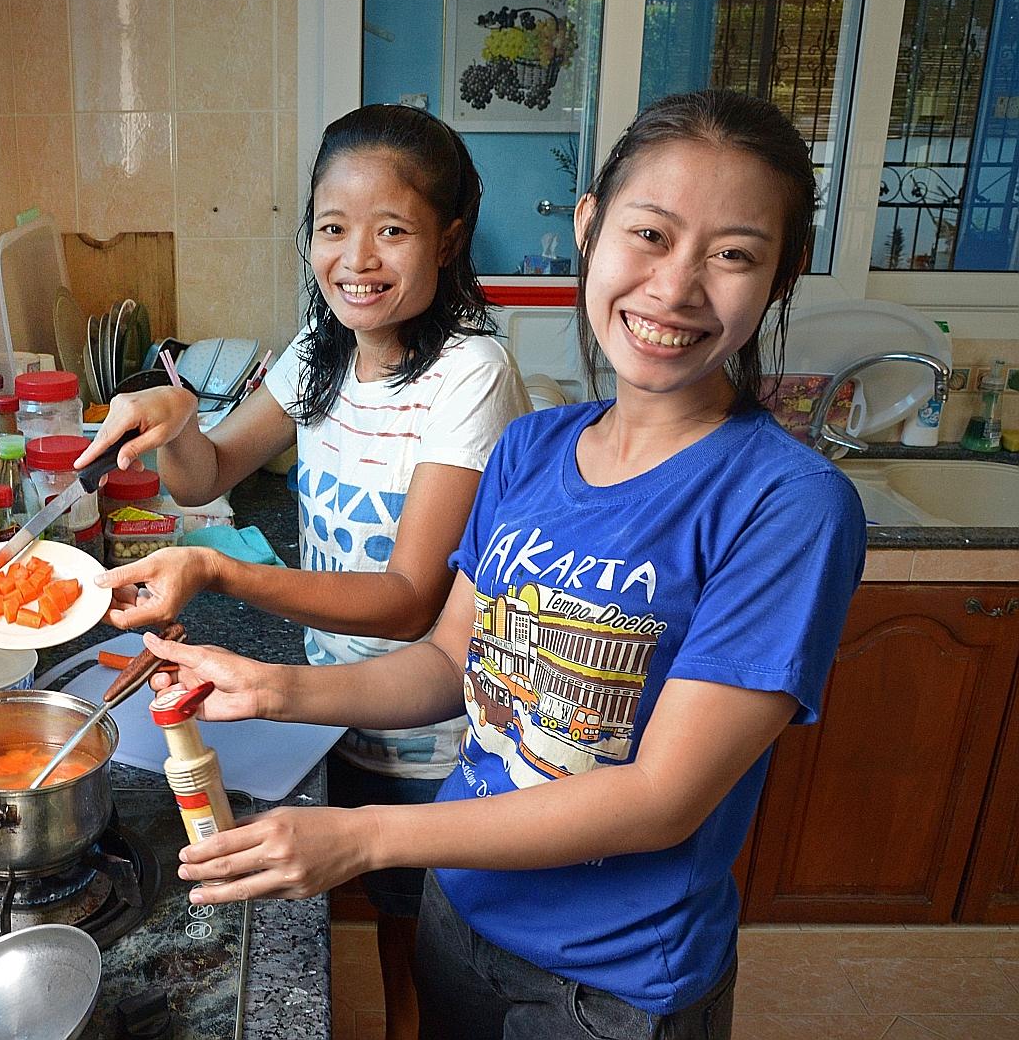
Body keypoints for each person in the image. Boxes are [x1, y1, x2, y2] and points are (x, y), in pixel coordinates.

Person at [135, 89, 867, 1040]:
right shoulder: (531, 452)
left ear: (783, 272)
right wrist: (269, 687)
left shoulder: (788, 503)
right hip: (463, 911)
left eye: (732, 254)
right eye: (649, 234)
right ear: (590, 226)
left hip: (609, 983)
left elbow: (662, 797)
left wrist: (365, 836)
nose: (675, 287)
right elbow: (450, 662)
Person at [78, 103, 530, 1038]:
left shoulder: (471, 374)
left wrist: (217, 570)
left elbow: (408, 603)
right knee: (371, 931)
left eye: (391, 230)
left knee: (431, 959)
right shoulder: (318, 353)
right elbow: (207, 473)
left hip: (437, 739)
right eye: (332, 228)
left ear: (448, 240)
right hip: (330, 717)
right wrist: (176, 419)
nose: (356, 259)